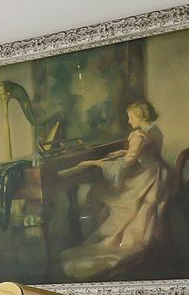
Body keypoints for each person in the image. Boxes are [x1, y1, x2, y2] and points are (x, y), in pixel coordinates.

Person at [60, 99, 170, 279]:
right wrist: (121, 153)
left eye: (130, 116)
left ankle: (95, 232)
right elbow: (143, 152)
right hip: (158, 172)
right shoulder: (154, 130)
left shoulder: (138, 135)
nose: (129, 120)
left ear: (140, 116)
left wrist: (95, 162)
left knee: (101, 192)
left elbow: (127, 164)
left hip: (145, 178)